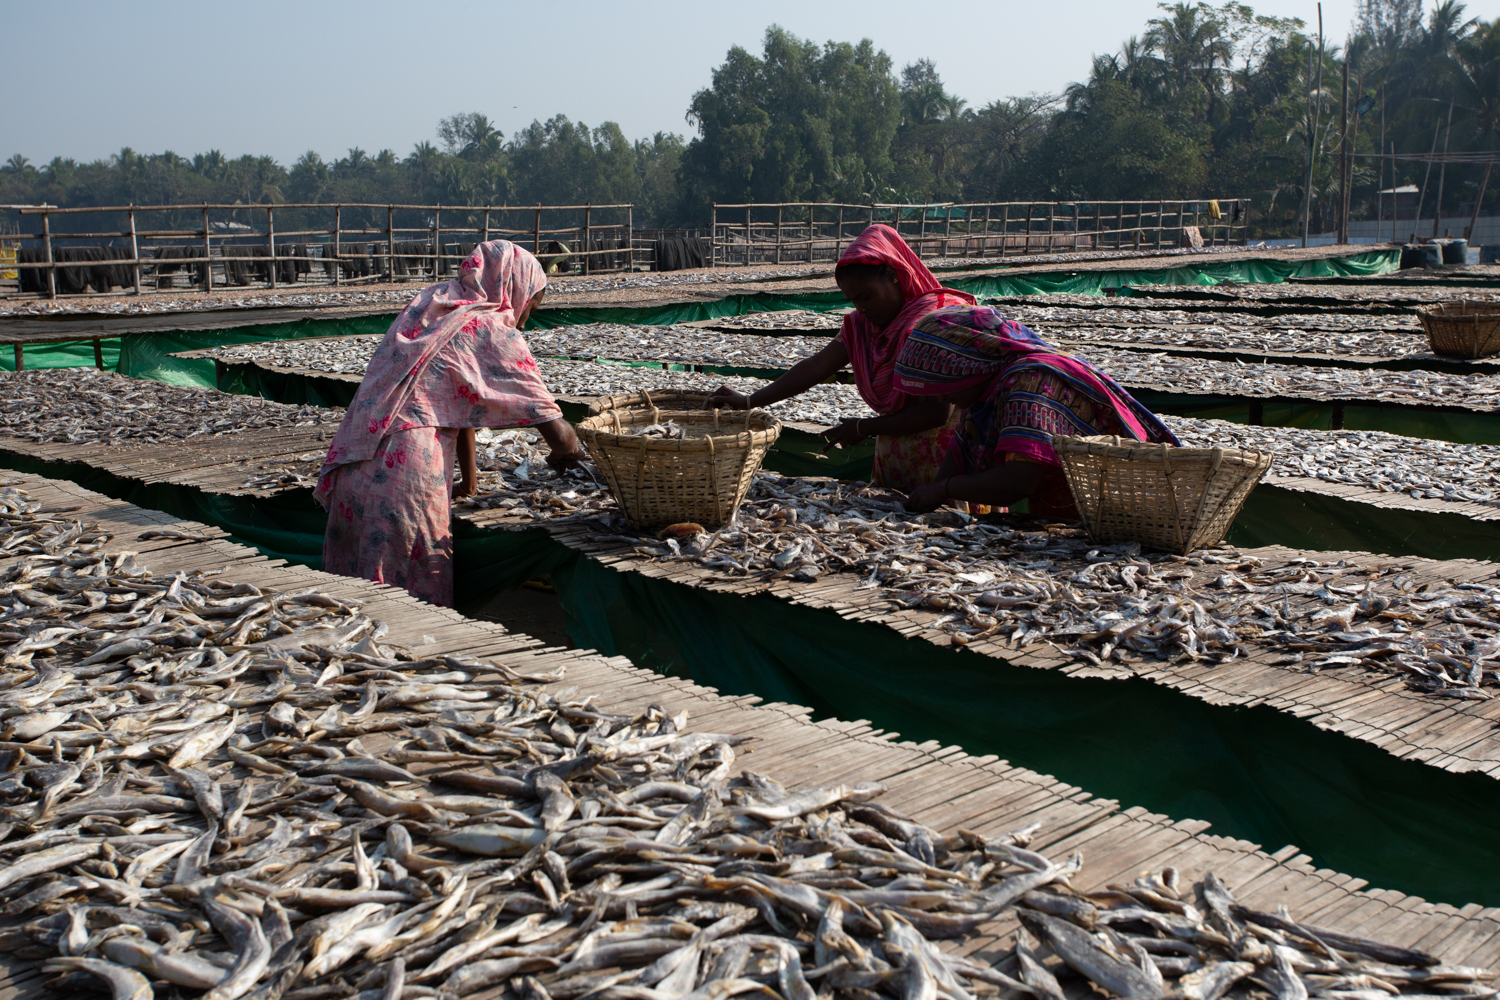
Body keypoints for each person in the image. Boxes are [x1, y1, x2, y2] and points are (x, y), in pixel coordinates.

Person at [314, 240, 584, 607]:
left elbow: (458, 399)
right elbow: (554, 427)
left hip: (358, 457)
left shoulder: (434, 303)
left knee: (351, 598)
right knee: (401, 596)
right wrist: (574, 452)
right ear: (514, 287)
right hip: (404, 472)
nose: (525, 318)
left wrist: (469, 481)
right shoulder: (490, 329)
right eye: (531, 305)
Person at [707, 224, 975, 492]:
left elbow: (937, 413)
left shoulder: (936, 321)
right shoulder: (862, 327)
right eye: (853, 301)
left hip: (945, 463)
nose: (862, 308)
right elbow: (816, 366)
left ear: (893, 275)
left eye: (867, 296)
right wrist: (749, 401)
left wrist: (864, 428)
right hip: (896, 460)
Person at [892, 305, 1179, 517]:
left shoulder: (1028, 383)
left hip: (1111, 512)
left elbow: (1018, 482)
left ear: (968, 367)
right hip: (1063, 508)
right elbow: (960, 452)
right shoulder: (985, 386)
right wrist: (929, 494)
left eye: (942, 387)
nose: (942, 397)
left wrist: (944, 490)